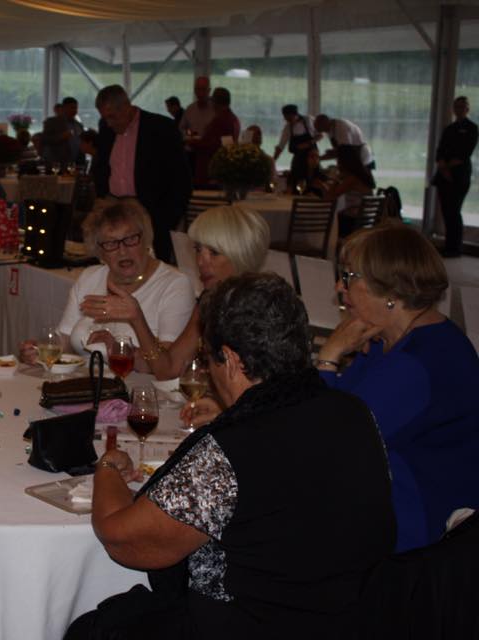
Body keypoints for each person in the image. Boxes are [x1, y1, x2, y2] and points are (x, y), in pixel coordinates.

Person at [67, 272, 396, 640]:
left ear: (232, 359)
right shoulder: (354, 412)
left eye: (208, 359)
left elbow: (123, 540)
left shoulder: (231, 449)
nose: (209, 371)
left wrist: (108, 467)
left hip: (253, 626)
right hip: (356, 620)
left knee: (90, 629)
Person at [315, 225, 479, 551]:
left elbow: (328, 442)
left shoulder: (418, 363)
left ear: (389, 292)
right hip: (382, 498)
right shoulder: (388, 340)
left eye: (349, 277)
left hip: (414, 527)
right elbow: (331, 410)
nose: (339, 287)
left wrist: (329, 357)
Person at [20, 200, 192, 369]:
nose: (122, 251)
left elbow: (169, 366)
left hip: (140, 385)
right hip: (86, 381)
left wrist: (117, 349)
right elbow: (65, 341)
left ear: (145, 239)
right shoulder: (90, 277)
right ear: (99, 251)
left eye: (130, 239)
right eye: (111, 243)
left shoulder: (174, 285)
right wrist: (39, 350)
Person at [145, 205, 270, 381]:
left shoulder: (262, 308)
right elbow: (170, 368)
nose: (200, 261)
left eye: (214, 252)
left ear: (242, 255)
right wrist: (137, 318)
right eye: (198, 249)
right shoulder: (210, 299)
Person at [91, 84, 191, 263]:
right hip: (113, 209)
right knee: (114, 262)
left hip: (152, 213)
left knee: (153, 266)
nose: (109, 123)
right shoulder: (106, 129)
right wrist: (101, 197)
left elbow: (181, 177)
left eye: (112, 117)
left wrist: (169, 217)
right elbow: (101, 168)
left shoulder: (161, 127)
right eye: (105, 118)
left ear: (126, 107)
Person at [433, 96, 478, 257]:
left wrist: (449, 166)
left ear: (467, 109)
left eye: (462, 107)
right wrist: (442, 165)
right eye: (456, 107)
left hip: (459, 175)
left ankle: (455, 247)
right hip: (444, 176)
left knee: (454, 211)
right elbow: (440, 149)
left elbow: (465, 152)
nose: (458, 110)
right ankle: (448, 245)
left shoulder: (472, 128)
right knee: (446, 211)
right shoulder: (449, 129)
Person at [191, 87, 241, 187]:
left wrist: (192, 142)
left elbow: (213, 145)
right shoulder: (233, 119)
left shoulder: (221, 120)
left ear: (215, 102)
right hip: (222, 169)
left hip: (210, 171)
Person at [325, 145, 375, 238]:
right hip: (365, 221)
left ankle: (328, 245)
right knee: (336, 216)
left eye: (338, 159)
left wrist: (336, 178)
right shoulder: (363, 174)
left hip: (353, 223)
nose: (337, 162)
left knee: (327, 220)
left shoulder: (352, 179)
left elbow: (329, 197)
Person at [274, 104, 317, 186]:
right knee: (294, 182)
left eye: (289, 118)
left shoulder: (308, 120)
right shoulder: (288, 127)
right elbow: (281, 146)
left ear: (295, 114)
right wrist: (273, 161)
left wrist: (308, 143)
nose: (287, 121)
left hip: (312, 157)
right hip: (298, 159)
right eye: (286, 119)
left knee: (312, 181)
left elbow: (320, 135)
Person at [179, 76, 215, 141]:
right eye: (198, 89)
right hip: (192, 145)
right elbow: (182, 129)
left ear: (209, 90)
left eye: (203, 89)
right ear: (195, 91)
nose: (200, 93)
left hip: (209, 146)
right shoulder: (190, 109)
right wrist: (190, 134)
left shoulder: (216, 109)